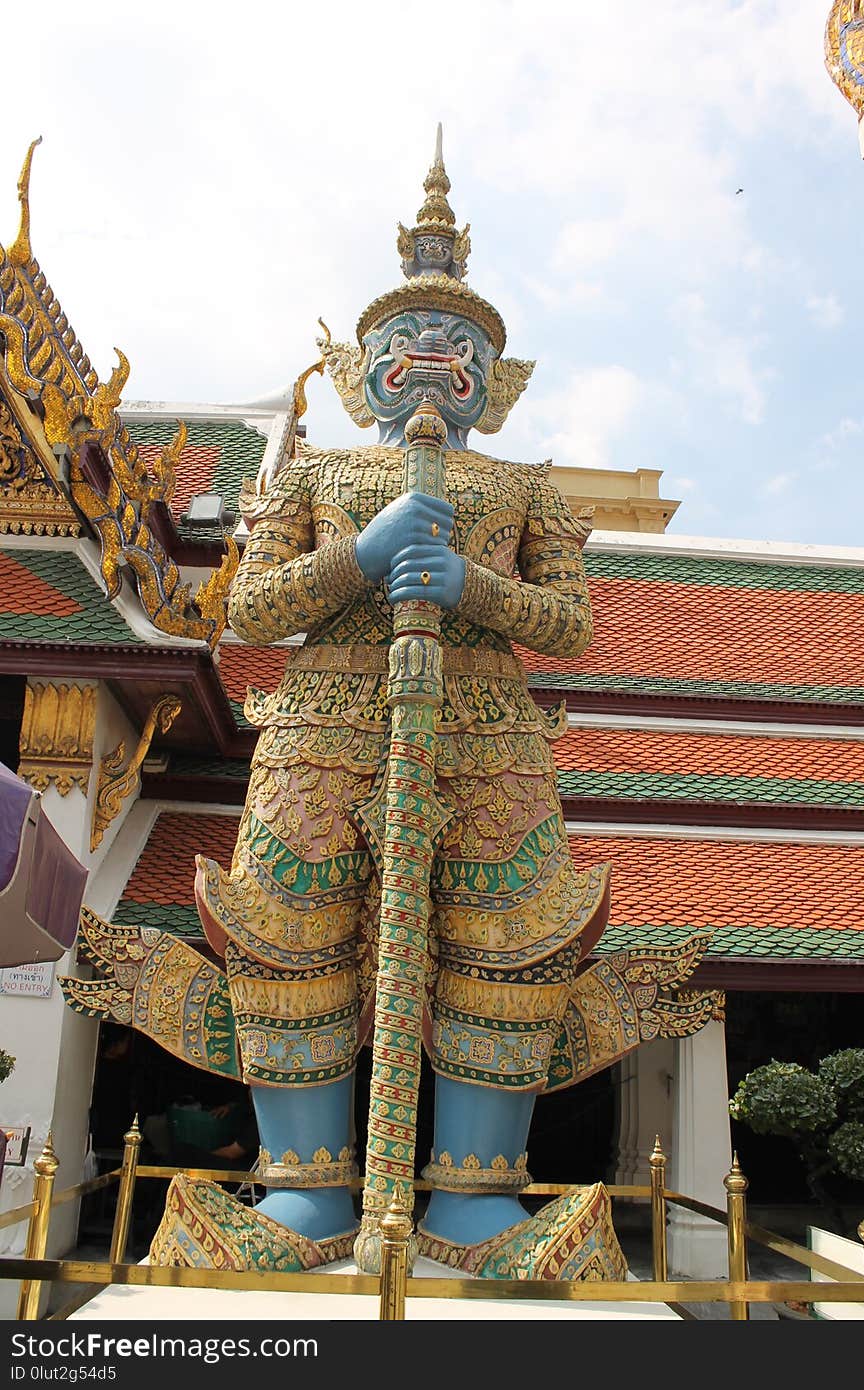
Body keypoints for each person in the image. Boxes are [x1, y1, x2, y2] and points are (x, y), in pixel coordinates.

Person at [63, 135, 639, 1282]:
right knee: (291, 940)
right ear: (360, 367)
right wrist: (362, 557)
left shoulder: (527, 490)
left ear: (497, 379)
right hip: (321, 731)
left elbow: (570, 624)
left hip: (485, 736)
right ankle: (308, 1182)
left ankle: (473, 1196)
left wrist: (473, 586)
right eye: (406, 342)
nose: (434, 356)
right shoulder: (310, 477)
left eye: (463, 347)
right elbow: (253, 611)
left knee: (504, 947)